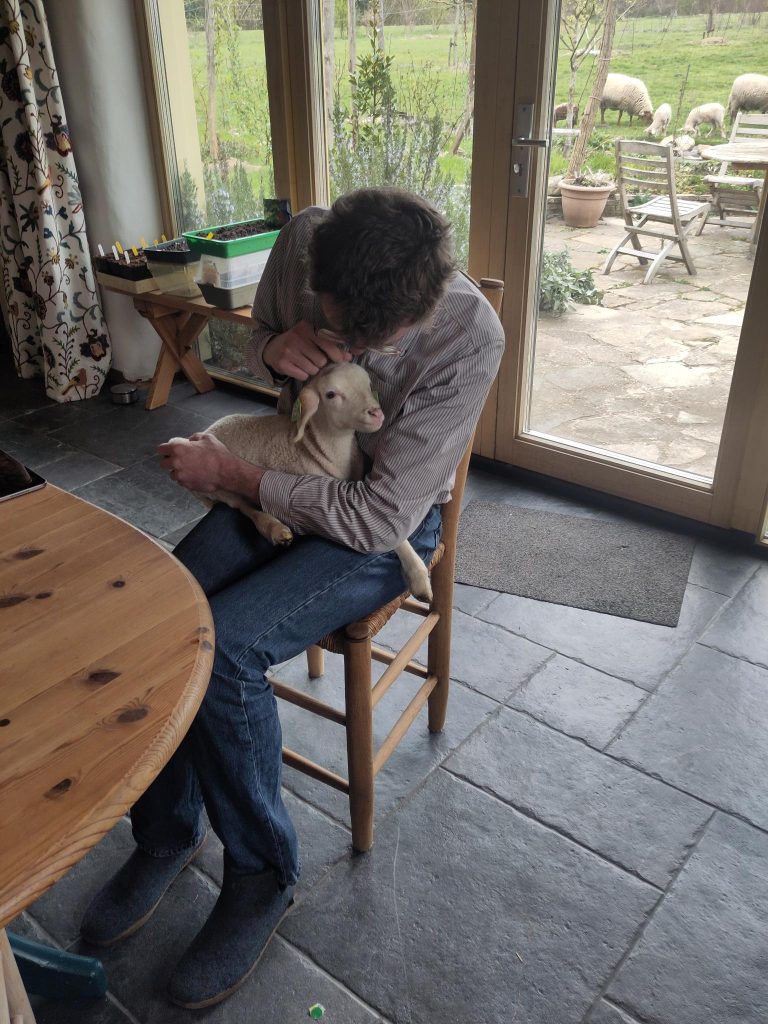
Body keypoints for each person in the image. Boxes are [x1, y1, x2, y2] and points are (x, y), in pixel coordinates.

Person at [79, 187, 504, 1009]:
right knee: (162, 615)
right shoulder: (307, 238)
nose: (352, 350)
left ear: (416, 315)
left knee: (226, 650)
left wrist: (238, 478)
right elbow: (254, 347)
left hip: (383, 525)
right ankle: (167, 832)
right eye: (336, 328)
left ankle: (264, 875)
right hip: (293, 471)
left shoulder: (468, 336)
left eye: (370, 342)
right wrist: (276, 348)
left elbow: (379, 516)